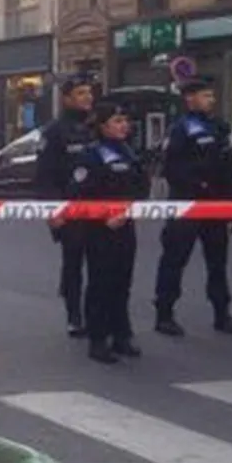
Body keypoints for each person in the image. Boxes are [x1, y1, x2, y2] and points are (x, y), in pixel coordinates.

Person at [153, 75, 232, 338]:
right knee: (174, 259)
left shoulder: (219, 127)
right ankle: (164, 313)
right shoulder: (180, 129)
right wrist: (198, 187)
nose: (211, 100)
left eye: (211, 95)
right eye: (206, 96)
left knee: (217, 262)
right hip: (187, 205)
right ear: (190, 98)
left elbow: (228, 170)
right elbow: (172, 169)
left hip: (216, 205)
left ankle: (222, 312)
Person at [67, 101, 149, 364]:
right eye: (117, 121)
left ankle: (121, 335)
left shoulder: (129, 153)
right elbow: (78, 192)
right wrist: (103, 216)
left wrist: (129, 209)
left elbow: (141, 186)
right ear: (102, 127)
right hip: (98, 229)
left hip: (125, 225)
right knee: (100, 283)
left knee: (122, 282)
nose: (123, 126)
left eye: (125, 121)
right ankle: (98, 338)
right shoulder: (91, 155)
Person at [34, 73, 96, 337]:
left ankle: (97, 315)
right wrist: (52, 211)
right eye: (81, 93)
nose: (88, 98)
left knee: (100, 265)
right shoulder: (55, 132)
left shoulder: (96, 128)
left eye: (89, 93)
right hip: (70, 209)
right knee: (73, 264)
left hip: (97, 208)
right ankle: (74, 315)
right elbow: (45, 175)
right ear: (67, 98)